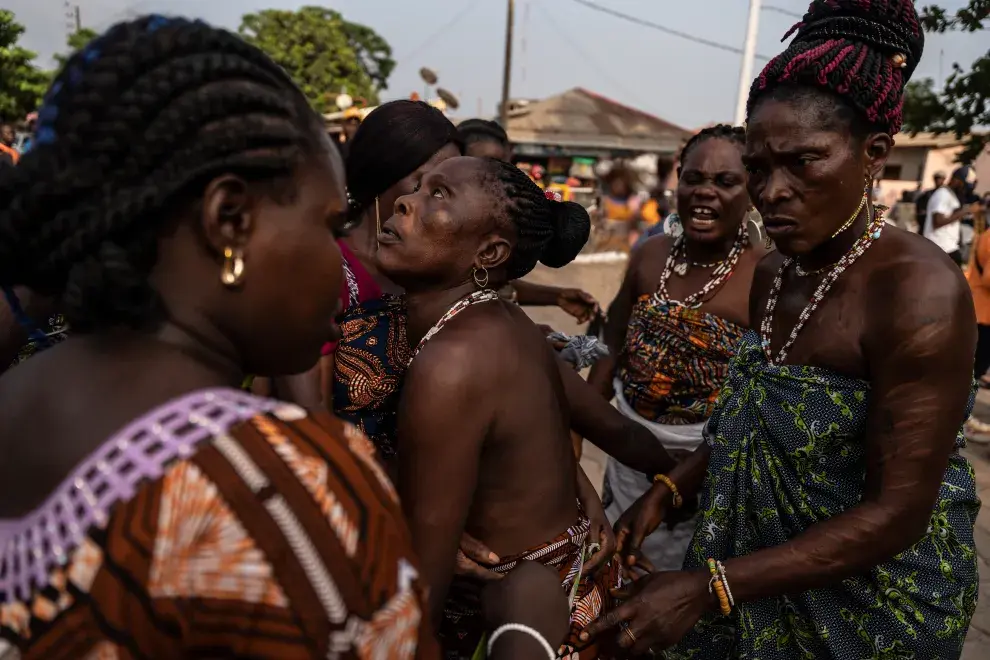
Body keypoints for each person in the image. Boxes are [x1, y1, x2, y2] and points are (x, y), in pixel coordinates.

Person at [0, 16, 444, 658]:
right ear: (228, 220)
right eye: (328, 224)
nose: (340, 255)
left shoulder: (16, 396)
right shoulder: (279, 483)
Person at [585, 1, 980, 657]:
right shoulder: (774, 274)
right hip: (755, 572)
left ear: (874, 154)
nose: (773, 191)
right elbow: (753, 419)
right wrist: (671, 487)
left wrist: (706, 589)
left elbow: (897, 513)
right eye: (761, 168)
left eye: (804, 162)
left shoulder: (917, 292)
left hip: (874, 609)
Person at [379, 155, 627, 659]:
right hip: (558, 587)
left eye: (439, 195)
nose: (407, 200)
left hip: (531, 621)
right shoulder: (496, 320)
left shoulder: (455, 359)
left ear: (489, 251)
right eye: (419, 186)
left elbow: (422, 592)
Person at [588, 125, 767, 572]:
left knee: (671, 590)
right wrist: (580, 424)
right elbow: (612, 341)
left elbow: (755, 404)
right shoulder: (649, 256)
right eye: (693, 178)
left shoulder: (766, 275)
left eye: (726, 182)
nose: (704, 193)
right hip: (627, 452)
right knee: (613, 572)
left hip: (704, 467)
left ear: (753, 192)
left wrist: (680, 481)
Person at [457, 117, 600, 321]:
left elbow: (491, 283)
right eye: (488, 165)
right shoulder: (437, 224)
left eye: (506, 166)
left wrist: (556, 296)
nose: (501, 177)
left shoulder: (491, 220)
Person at [924, 166, 978, 265]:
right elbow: (938, 221)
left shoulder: (951, 195)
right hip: (940, 247)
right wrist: (965, 211)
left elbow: (951, 216)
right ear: (956, 180)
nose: (964, 189)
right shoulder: (942, 194)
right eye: (964, 185)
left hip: (948, 247)